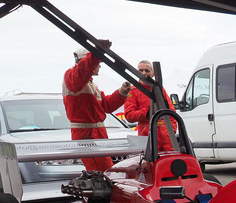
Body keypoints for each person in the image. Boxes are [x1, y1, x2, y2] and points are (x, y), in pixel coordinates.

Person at [63, 40, 131, 172]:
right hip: (88, 135)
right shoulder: (72, 77)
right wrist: (96, 54)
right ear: (88, 62)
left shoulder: (90, 85)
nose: (99, 66)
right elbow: (82, 71)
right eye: (98, 62)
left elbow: (106, 106)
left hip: (96, 135)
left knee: (103, 173)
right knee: (102, 174)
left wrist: (122, 92)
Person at [124, 60, 177, 152]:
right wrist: (147, 112)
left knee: (170, 163)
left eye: (147, 70)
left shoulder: (159, 89)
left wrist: (171, 131)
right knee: (150, 164)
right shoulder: (133, 91)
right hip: (147, 137)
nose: (144, 73)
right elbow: (129, 116)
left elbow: (171, 113)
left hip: (166, 138)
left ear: (153, 74)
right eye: (140, 70)